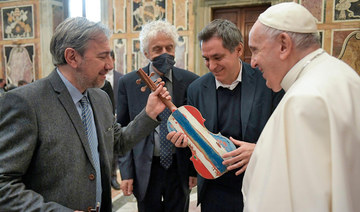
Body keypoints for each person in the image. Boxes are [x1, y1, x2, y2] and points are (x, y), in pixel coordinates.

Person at [0, 17, 171, 212]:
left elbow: (118, 142)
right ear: (72, 57)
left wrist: (149, 114)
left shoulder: (100, 98)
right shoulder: (25, 102)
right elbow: (4, 185)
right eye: (102, 56)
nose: (109, 65)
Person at [238, 2, 360, 211]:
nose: (253, 63)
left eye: (256, 50)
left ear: (284, 45)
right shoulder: (343, 75)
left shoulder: (303, 100)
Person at [168, 19, 284, 211]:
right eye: (206, 59)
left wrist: (259, 150)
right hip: (214, 190)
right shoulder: (196, 89)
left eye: (217, 57)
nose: (211, 66)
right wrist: (183, 141)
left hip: (259, 184)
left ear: (238, 50)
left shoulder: (267, 82)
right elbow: (195, 139)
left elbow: (286, 132)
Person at [117, 20, 198, 212]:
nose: (165, 53)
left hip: (179, 167)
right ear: (146, 53)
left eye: (169, 47)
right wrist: (126, 172)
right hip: (145, 168)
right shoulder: (128, 83)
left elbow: (194, 128)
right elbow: (122, 129)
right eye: (157, 48)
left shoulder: (190, 81)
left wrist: (193, 169)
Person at [105, 50, 123, 190]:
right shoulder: (96, 79)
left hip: (116, 120)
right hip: (102, 119)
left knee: (115, 150)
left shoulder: (120, 78)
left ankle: (113, 176)